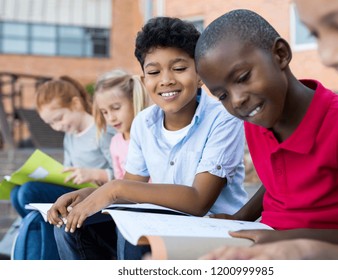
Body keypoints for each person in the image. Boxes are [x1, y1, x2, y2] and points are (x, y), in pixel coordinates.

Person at [200, 0, 338, 260]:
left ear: (280, 54)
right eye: (222, 95)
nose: (236, 100)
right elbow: (279, 181)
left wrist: (291, 239)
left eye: (243, 77)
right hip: (266, 242)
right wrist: (241, 217)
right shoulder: (257, 119)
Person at [48, 16, 248, 260]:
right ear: (144, 80)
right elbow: (133, 184)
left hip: (212, 229)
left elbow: (199, 201)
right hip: (162, 224)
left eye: (179, 68)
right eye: (154, 71)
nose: (166, 80)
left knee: (135, 234)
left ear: (200, 74)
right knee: (73, 226)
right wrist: (87, 196)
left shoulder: (223, 118)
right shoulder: (144, 122)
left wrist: (115, 188)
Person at [10, 76, 115, 259]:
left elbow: (123, 174)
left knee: (28, 192)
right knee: (16, 193)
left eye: (58, 119)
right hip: (72, 191)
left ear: (75, 104)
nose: (57, 127)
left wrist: (93, 174)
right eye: (51, 124)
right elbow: (67, 169)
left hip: (93, 193)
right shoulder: (70, 136)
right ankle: (41, 240)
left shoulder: (101, 130)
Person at [93, 69, 149, 180]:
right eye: (104, 112)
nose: (111, 118)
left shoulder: (149, 138)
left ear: (134, 100)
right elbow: (119, 180)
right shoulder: (115, 142)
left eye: (116, 108)